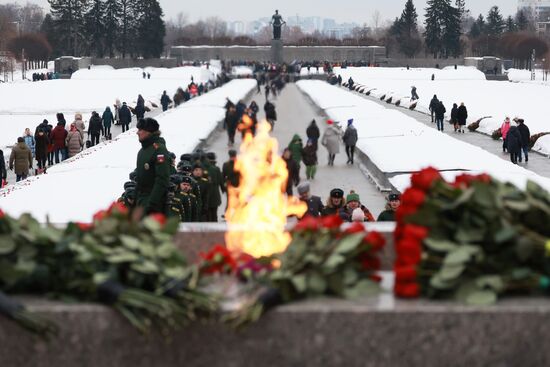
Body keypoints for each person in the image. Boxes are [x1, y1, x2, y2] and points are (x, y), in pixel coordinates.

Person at [135, 117, 170, 215]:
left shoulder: (159, 150)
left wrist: (151, 204)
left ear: (148, 132)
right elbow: (139, 179)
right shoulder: (142, 151)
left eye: (140, 130)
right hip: (141, 203)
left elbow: (162, 179)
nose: (137, 133)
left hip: (154, 206)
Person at [205, 152, 224, 222]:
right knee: (214, 214)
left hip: (207, 194)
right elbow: (221, 181)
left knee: (208, 214)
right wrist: (223, 189)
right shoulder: (217, 169)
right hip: (215, 195)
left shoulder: (204, 169)